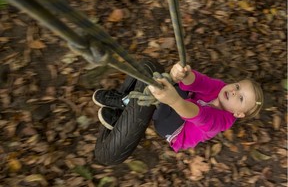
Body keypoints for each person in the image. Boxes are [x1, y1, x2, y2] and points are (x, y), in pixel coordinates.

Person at [92, 61, 264, 152]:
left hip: (177, 130)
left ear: (238, 114)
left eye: (240, 98)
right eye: (238, 86)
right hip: (183, 107)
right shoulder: (220, 88)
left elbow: (199, 115)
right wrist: (184, 75)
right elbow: (200, 82)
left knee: (168, 102)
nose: (234, 91)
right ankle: (120, 116)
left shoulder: (222, 122)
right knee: (176, 89)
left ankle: (125, 103)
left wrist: (174, 101)